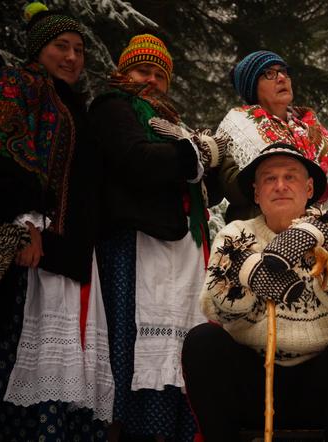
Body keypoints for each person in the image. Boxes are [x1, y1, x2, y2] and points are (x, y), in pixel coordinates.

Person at [0, 2, 112, 440]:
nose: (73, 57)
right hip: (18, 247)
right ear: (38, 49)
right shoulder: (13, 84)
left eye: (80, 49)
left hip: (61, 255)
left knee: (38, 357)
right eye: (62, 46)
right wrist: (23, 222)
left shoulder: (73, 103)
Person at [182, 143, 328, 441]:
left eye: (291, 177)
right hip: (253, 381)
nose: (280, 186)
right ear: (256, 193)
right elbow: (214, 306)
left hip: (320, 384)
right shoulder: (236, 234)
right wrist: (253, 275)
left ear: (310, 188)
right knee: (202, 340)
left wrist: (317, 247)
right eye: (269, 179)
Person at [88, 34, 225, 441]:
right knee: (130, 342)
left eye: (159, 73)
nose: (151, 79)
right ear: (123, 72)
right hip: (133, 242)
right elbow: (134, 159)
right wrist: (194, 154)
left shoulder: (170, 121)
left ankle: (178, 428)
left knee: (180, 340)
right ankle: (130, 429)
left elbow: (207, 192)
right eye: (142, 70)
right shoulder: (114, 107)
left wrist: (206, 161)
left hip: (179, 248)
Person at [216, 50, 328, 222]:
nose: (281, 78)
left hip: (323, 234)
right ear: (251, 87)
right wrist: (288, 175)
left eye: (284, 71)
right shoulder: (239, 126)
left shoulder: (313, 128)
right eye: (269, 73)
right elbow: (234, 191)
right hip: (263, 235)